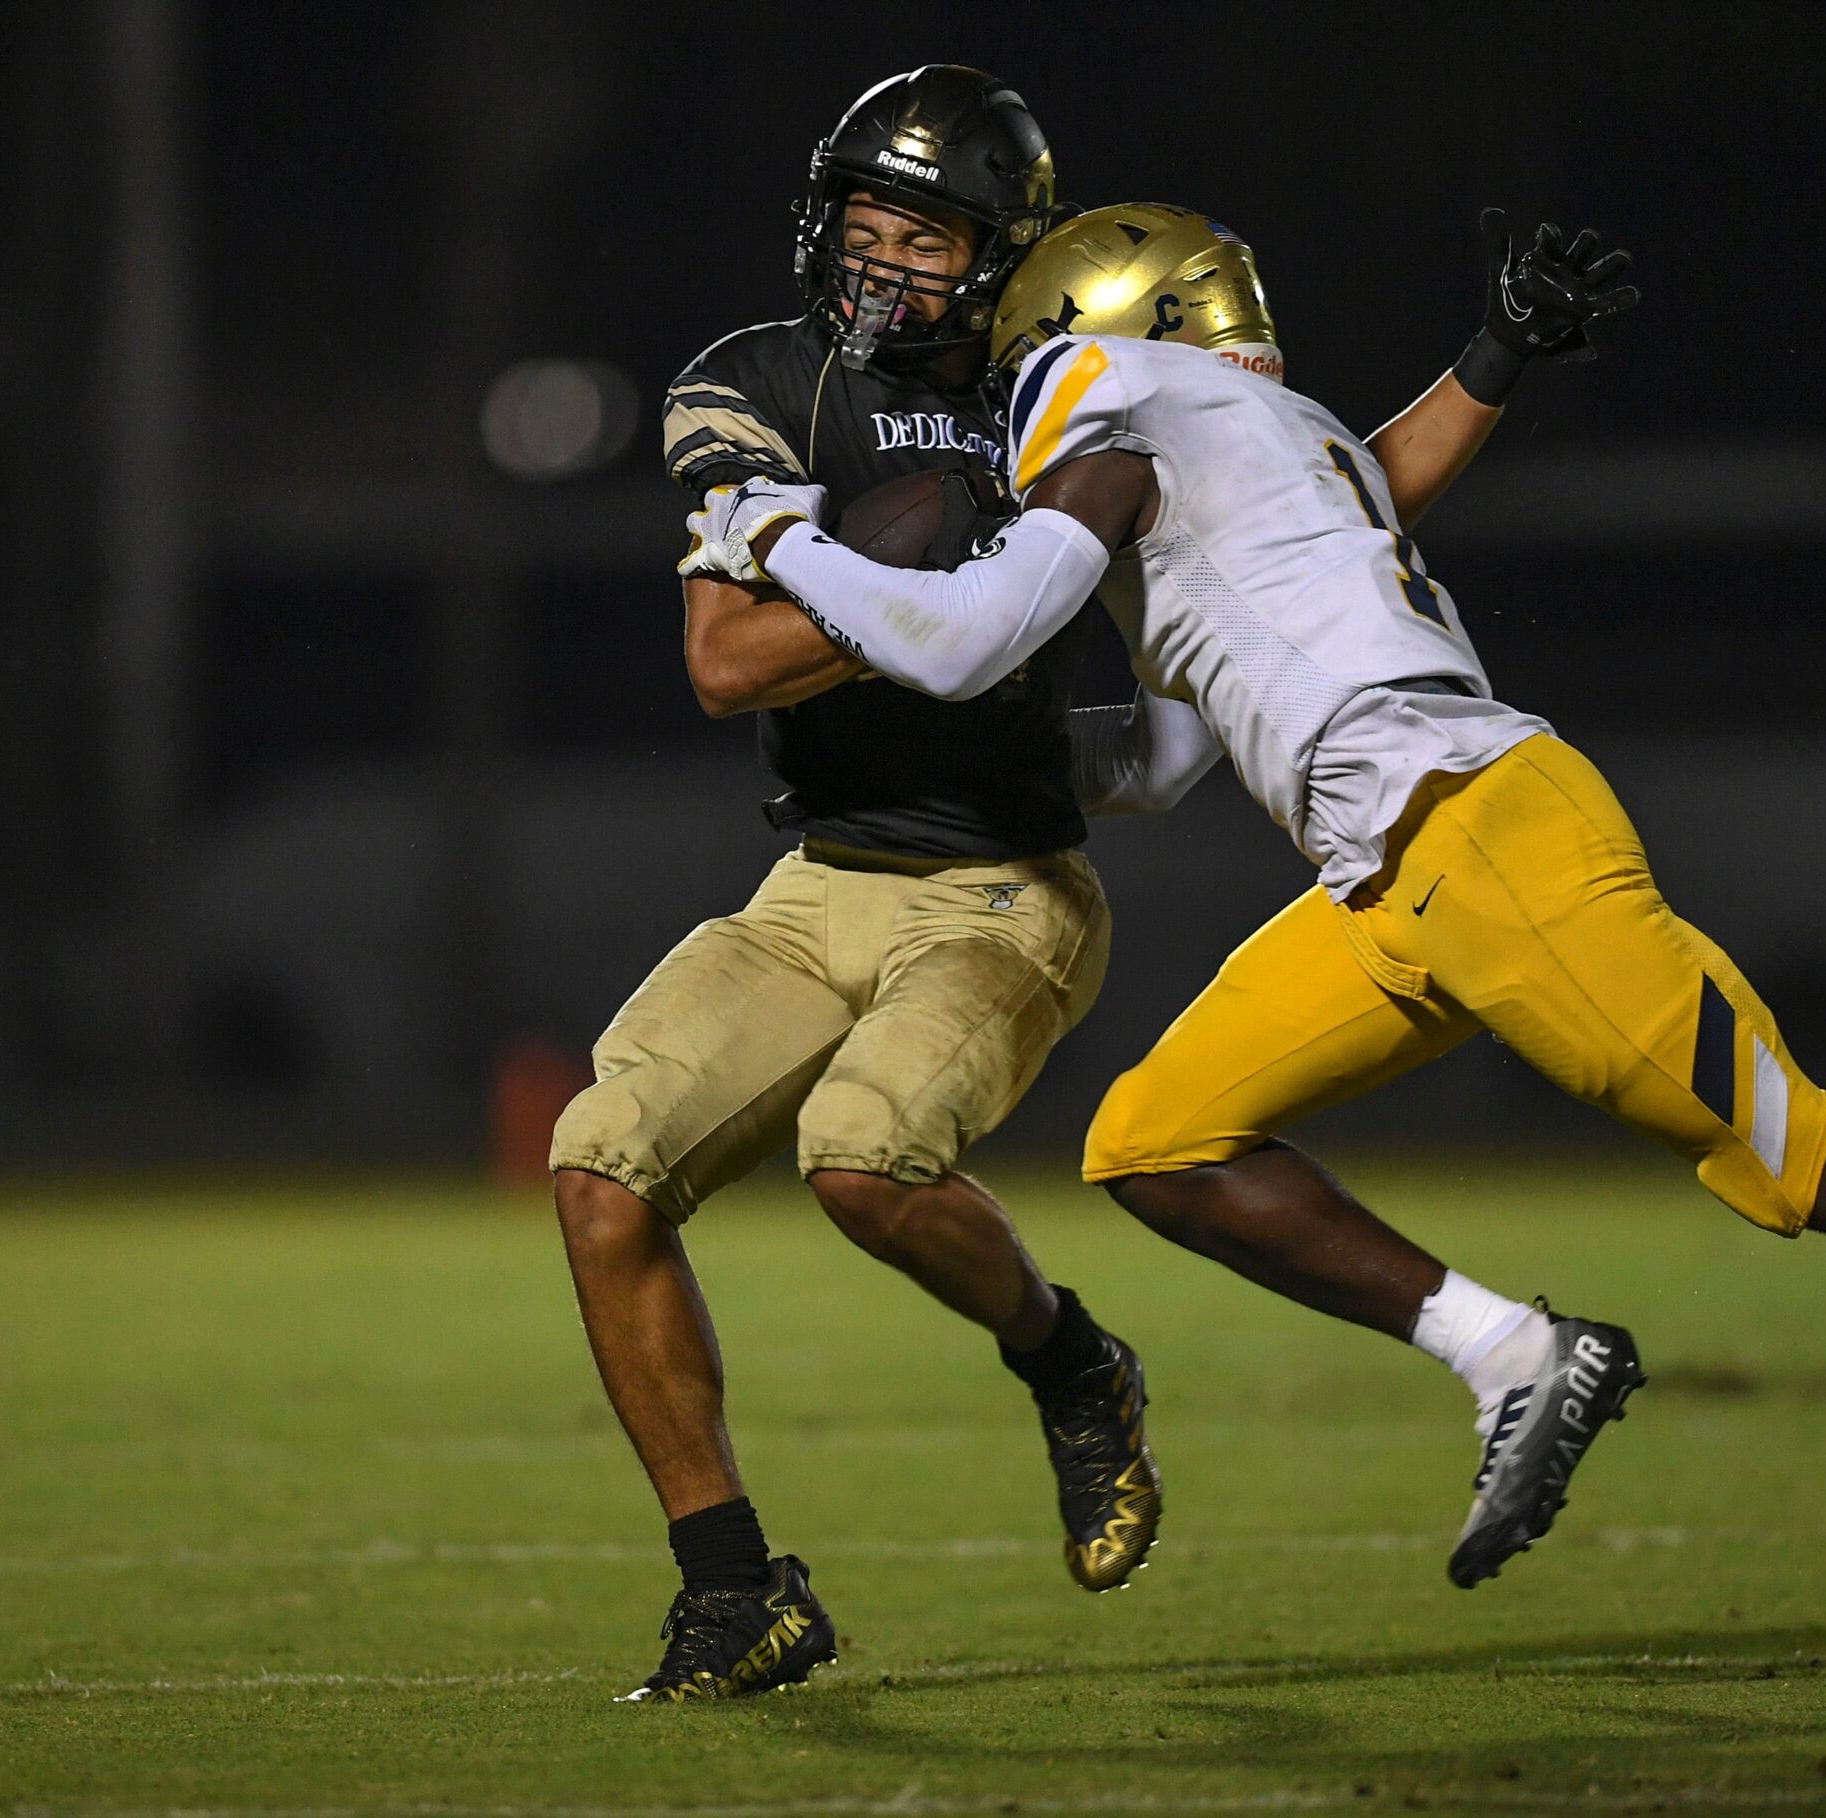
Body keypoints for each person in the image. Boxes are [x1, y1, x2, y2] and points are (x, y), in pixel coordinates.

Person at [686, 203, 1826, 1614]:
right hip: (1390, 872)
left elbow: (971, 637)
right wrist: (934, 745)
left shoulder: (1102, 392)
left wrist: (782, 540)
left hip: (1481, 838)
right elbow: (1164, 755)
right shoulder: (1258, 435)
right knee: (1160, 1142)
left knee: (1792, 1148)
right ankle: (1513, 1353)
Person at [557, 72, 1560, 1702]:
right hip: (819, 877)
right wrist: (937, 599)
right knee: (599, 1171)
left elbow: (1323, 497)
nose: (884, 263)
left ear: (999, 256)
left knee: (865, 1161)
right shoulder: (750, 384)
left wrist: (1492, 367)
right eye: (865, 225)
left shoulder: (1055, 382)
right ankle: (735, 1592)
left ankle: (1074, 1364)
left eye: (927, 236)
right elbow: (726, 663)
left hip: (1005, 888)